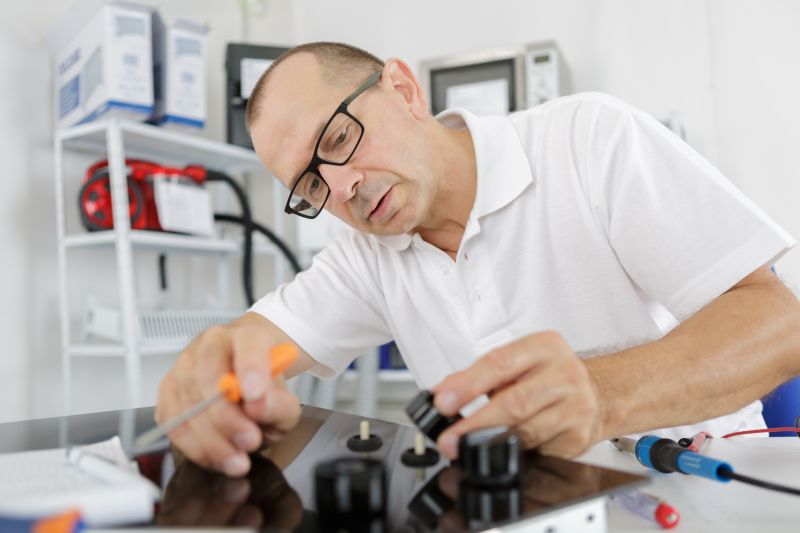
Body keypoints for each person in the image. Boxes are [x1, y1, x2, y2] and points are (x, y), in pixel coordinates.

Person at [155, 42, 800, 477]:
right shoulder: (366, 253)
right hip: (534, 507)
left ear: (404, 88)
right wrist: (206, 369)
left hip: (704, 487)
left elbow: (778, 326)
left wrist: (605, 394)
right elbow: (259, 341)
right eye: (311, 187)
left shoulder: (587, 141)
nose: (344, 187)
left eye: (340, 139)